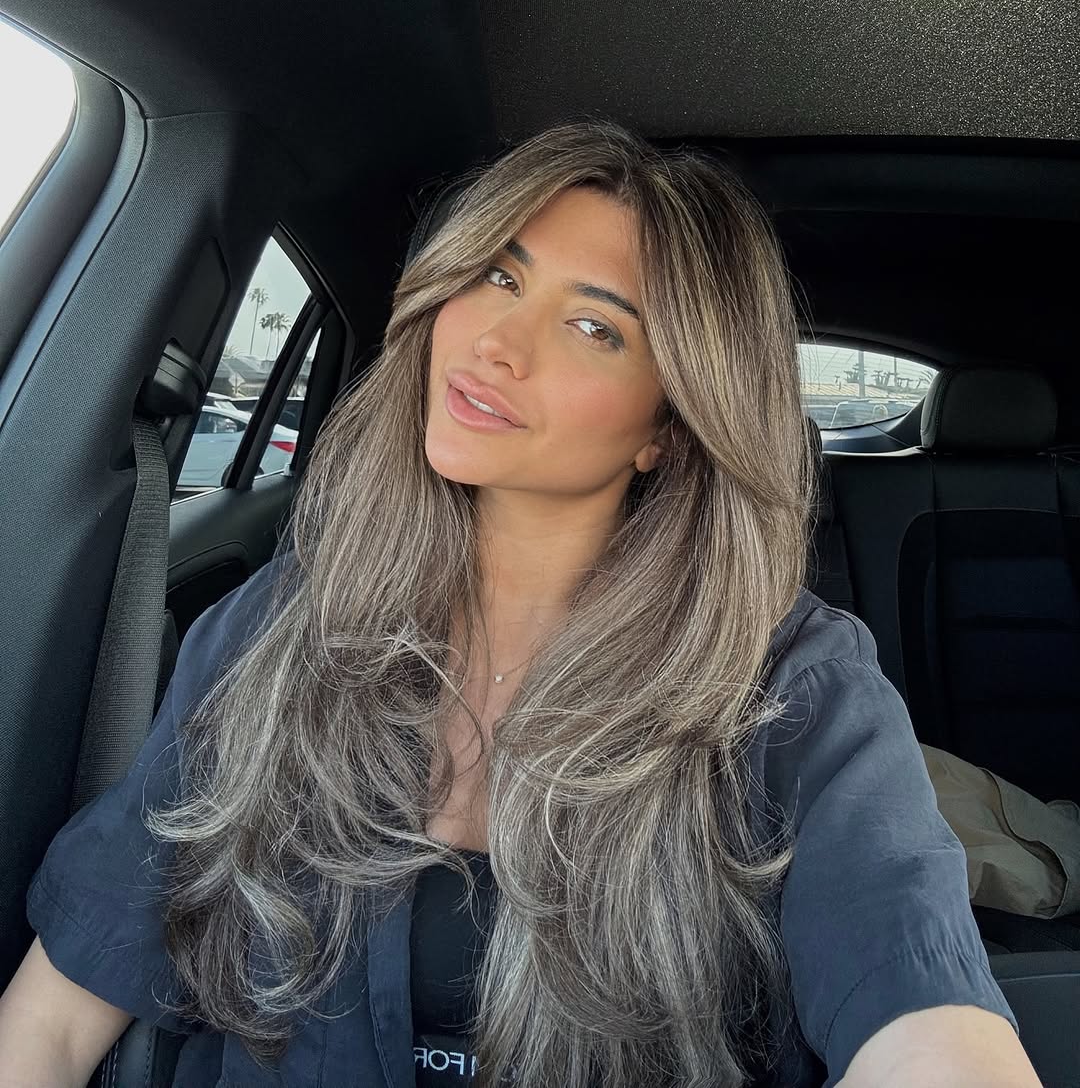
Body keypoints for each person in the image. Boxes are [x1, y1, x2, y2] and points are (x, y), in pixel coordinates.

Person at [0, 121, 1040, 1088]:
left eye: (593, 326)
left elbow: (927, 1017)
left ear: (667, 430)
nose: (499, 340)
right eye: (499, 275)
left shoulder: (793, 691)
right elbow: (53, 1015)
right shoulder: (286, 622)